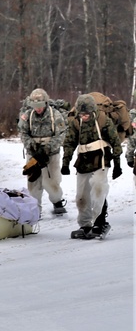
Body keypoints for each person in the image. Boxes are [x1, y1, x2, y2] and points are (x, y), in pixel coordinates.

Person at [61, 93, 122, 239]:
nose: (84, 116)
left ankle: (99, 222)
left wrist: (117, 165)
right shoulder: (75, 122)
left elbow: (115, 142)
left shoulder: (103, 121)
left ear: (93, 111)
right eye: (81, 114)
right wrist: (65, 162)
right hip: (84, 160)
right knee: (81, 196)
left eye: (87, 114)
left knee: (98, 187)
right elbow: (69, 143)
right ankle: (85, 224)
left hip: (101, 158)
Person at [17, 87, 67, 215]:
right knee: (33, 182)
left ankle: (57, 201)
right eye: (35, 106)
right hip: (33, 152)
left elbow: (61, 134)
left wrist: (48, 148)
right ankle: (35, 210)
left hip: (50, 153)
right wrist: (31, 145)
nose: (38, 109)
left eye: (40, 105)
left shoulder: (54, 114)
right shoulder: (27, 115)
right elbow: (23, 132)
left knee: (52, 182)